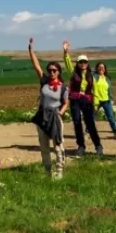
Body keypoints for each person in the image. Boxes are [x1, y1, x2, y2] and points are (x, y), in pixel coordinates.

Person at [28, 38, 69, 178]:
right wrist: (31, 50)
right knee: (44, 146)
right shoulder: (44, 81)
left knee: (58, 145)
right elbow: (36, 66)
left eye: (54, 70)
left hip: (55, 117)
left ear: (58, 72)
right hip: (42, 116)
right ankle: (47, 171)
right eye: (49, 70)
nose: (51, 72)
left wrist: (60, 113)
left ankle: (59, 171)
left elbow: (65, 102)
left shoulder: (63, 87)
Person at [61, 40, 104, 155]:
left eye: (85, 62)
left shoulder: (92, 76)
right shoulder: (73, 73)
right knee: (76, 122)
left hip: (87, 101)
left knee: (90, 123)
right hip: (75, 100)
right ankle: (81, 146)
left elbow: (95, 91)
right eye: (81, 62)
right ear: (78, 63)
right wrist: (66, 52)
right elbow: (68, 63)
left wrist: (95, 104)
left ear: (87, 63)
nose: (83, 64)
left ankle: (98, 146)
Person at [92, 62, 116, 139]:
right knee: (92, 117)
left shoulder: (107, 78)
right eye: (99, 67)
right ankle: (87, 133)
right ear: (97, 68)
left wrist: (111, 99)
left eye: (103, 67)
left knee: (111, 117)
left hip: (106, 100)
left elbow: (109, 90)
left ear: (105, 69)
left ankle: (115, 133)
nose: (101, 69)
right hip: (96, 101)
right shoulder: (93, 77)